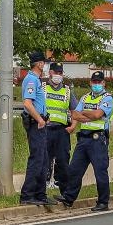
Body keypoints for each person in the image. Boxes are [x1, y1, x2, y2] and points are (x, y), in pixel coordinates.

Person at [61, 69, 113, 212]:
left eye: (99, 82)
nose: (96, 84)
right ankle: (68, 198)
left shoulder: (108, 98)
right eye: (94, 82)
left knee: (100, 172)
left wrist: (84, 114)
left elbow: (98, 114)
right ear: (90, 83)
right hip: (84, 138)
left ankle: (103, 202)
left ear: (103, 83)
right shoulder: (85, 98)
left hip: (98, 139)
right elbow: (74, 114)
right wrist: (88, 115)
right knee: (74, 169)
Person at [18, 50, 52, 207]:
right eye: (43, 63)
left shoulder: (36, 80)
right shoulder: (32, 80)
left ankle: (40, 194)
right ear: (38, 64)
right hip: (35, 123)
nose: (44, 65)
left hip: (40, 122)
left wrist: (45, 115)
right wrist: (39, 119)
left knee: (44, 160)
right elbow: (27, 103)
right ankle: (27, 194)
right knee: (37, 159)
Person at [42, 62, 74, 200]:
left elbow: (75, 110)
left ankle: (64, 191)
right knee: (43, 159)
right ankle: (41, 189)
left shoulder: (67, 91)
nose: (58, 75)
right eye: (56, 72)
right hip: (46, 130)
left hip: (62, 131)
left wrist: (73, 126)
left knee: (63, 160)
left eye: (60, 73)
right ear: (50, 73)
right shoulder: (42, 88)